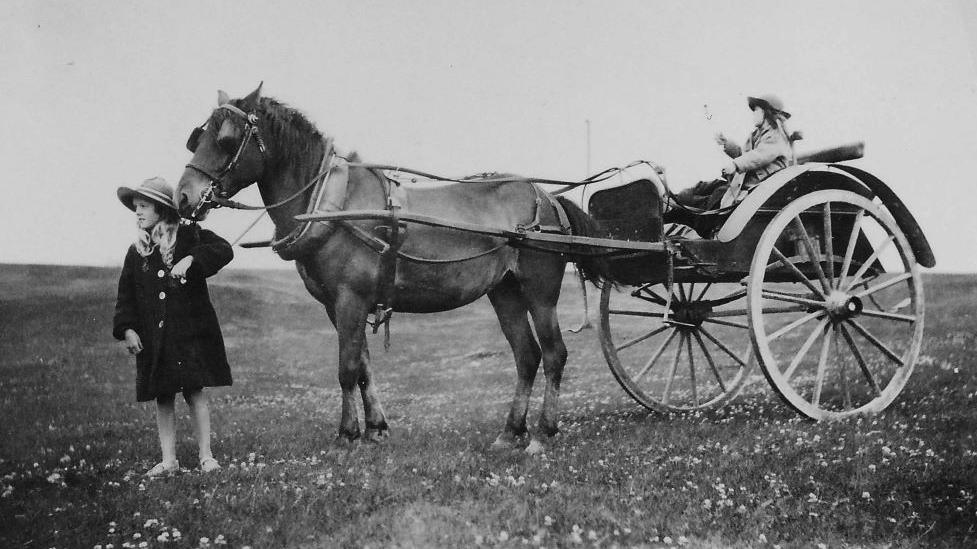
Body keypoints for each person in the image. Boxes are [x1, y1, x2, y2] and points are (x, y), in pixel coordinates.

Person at [112, 177, 234, 477]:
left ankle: (206, 456)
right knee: (163, 396)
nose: (137, 212)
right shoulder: (137, 251)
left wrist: (192, 258)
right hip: (156, 338)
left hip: (189, 333)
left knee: (194, 391)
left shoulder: (189, 236)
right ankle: (169, 460)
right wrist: (127, 329)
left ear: (162, 210)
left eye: (144, 206)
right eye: (136, 207)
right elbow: (126, 295)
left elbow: (223, 249)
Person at [664, 94, 796, 236]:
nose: (753, 115)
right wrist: (726, 143)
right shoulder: (758, 134)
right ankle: (673, 202)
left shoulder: (776, 134)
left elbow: (760, 156)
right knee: (703, 188)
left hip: (758, 187)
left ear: (766, 112)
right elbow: (746, 155)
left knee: (717, 196)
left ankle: (688, 219)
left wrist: (735, 164)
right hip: (741, 183)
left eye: (756, 111)